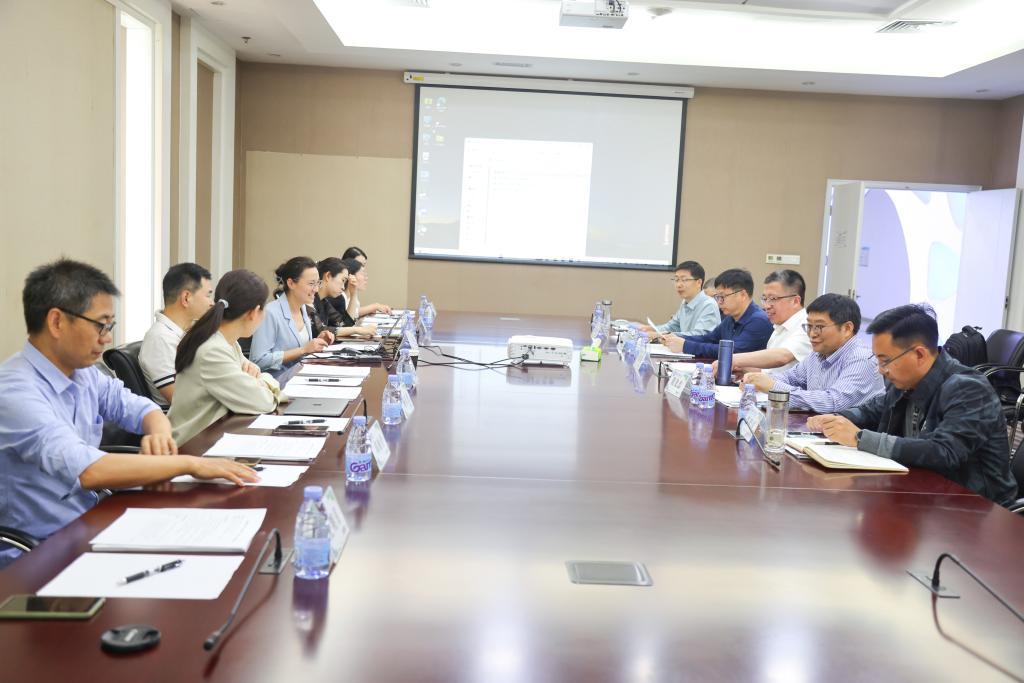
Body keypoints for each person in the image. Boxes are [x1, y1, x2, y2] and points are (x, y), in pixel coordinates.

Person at [0, 259, 258, 565]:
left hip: (91, 520)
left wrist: (158, 428)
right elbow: (88, 470)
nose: (107, 338)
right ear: (57, 322)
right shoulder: (16, 393)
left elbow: (137, 406)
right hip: (41, 551)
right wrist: (189, 464)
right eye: (101, 325)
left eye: (110, 326)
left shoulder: (82, 372)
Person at [807, 304, 1016, 506]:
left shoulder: (968, 389)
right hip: (923, 494)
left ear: (919, 354)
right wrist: (837, 419)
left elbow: (944, 452)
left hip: (977, 508)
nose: (880, 370)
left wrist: (859, 438)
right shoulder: (906, 380)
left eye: (885, 360)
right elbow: (872, 411)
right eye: (877, 360)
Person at [169, 270, 282, 445]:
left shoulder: (227, 341)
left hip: (215, 436)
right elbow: (263, 401)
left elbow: (254, 378)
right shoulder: (213, 351)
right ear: (254, 312)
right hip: (191, 446)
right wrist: (265, 381)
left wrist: (256, 381)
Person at [742, 293, 883, 412]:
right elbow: (790, 378)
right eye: (809, 326)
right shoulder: (817, 354)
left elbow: (832, 402)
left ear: (847, 328)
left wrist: (773, 387)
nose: (812, 334)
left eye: (819, 326)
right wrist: (757, 380)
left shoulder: (861, 359)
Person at [139, 262, 213, 404]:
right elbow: (181, 400)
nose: (211, 303)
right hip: (187, 417)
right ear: (186, 298)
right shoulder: (160, 338)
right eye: (207, 296)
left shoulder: (186, 332)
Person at [250, 257, 334, 377]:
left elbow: (301, 348)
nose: (316, 289)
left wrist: (316, 342)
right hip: (277, 382)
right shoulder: (270, 312)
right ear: (291, 283)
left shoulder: (304, 308)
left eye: (318, 283)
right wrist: (303, 350)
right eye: (311, 284)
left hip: (299, 377)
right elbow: (258, 360)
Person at [663, 268, 773, 358]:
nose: (719, 302)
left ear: (742, 295)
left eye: (723, 296)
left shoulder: (758, 321)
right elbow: (709, 338)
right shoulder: (730, 318)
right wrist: (676, 338)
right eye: (718, 297)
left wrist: (685, 345)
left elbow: (733, 352)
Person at [729, 270, 811, 373]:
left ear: (795, 301)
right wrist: (742, 368)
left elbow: (782, 357)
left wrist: (731, 359)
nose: (766, 306)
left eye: (773, 299)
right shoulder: (779, 326)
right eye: (764, 299)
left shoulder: (808, 326)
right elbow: (770, 372)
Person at [638, 260, 719, 338]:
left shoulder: (708, 305)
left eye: (684, 280)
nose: (678, 285)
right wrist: (654, 329)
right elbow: (673, 326)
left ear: (699, 282)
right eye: (676, 280)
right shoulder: (685, 302)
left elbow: (699, 335)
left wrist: (660, 335)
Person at [310, 257, 377, 338]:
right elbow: (319, 330)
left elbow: (344, 324)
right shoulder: (310, 300)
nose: (343, 287)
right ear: (328, 276)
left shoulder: (324, 302)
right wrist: (357, 330)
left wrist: (353, 294)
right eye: (343, 280)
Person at [339, 246, 391, 317]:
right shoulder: (338, 294)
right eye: (358, 263)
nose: (361, 268)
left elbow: (353, 313)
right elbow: (346, 316)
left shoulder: (351, 292)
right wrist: (375, 306)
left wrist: (366, 312)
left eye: (363, 265)